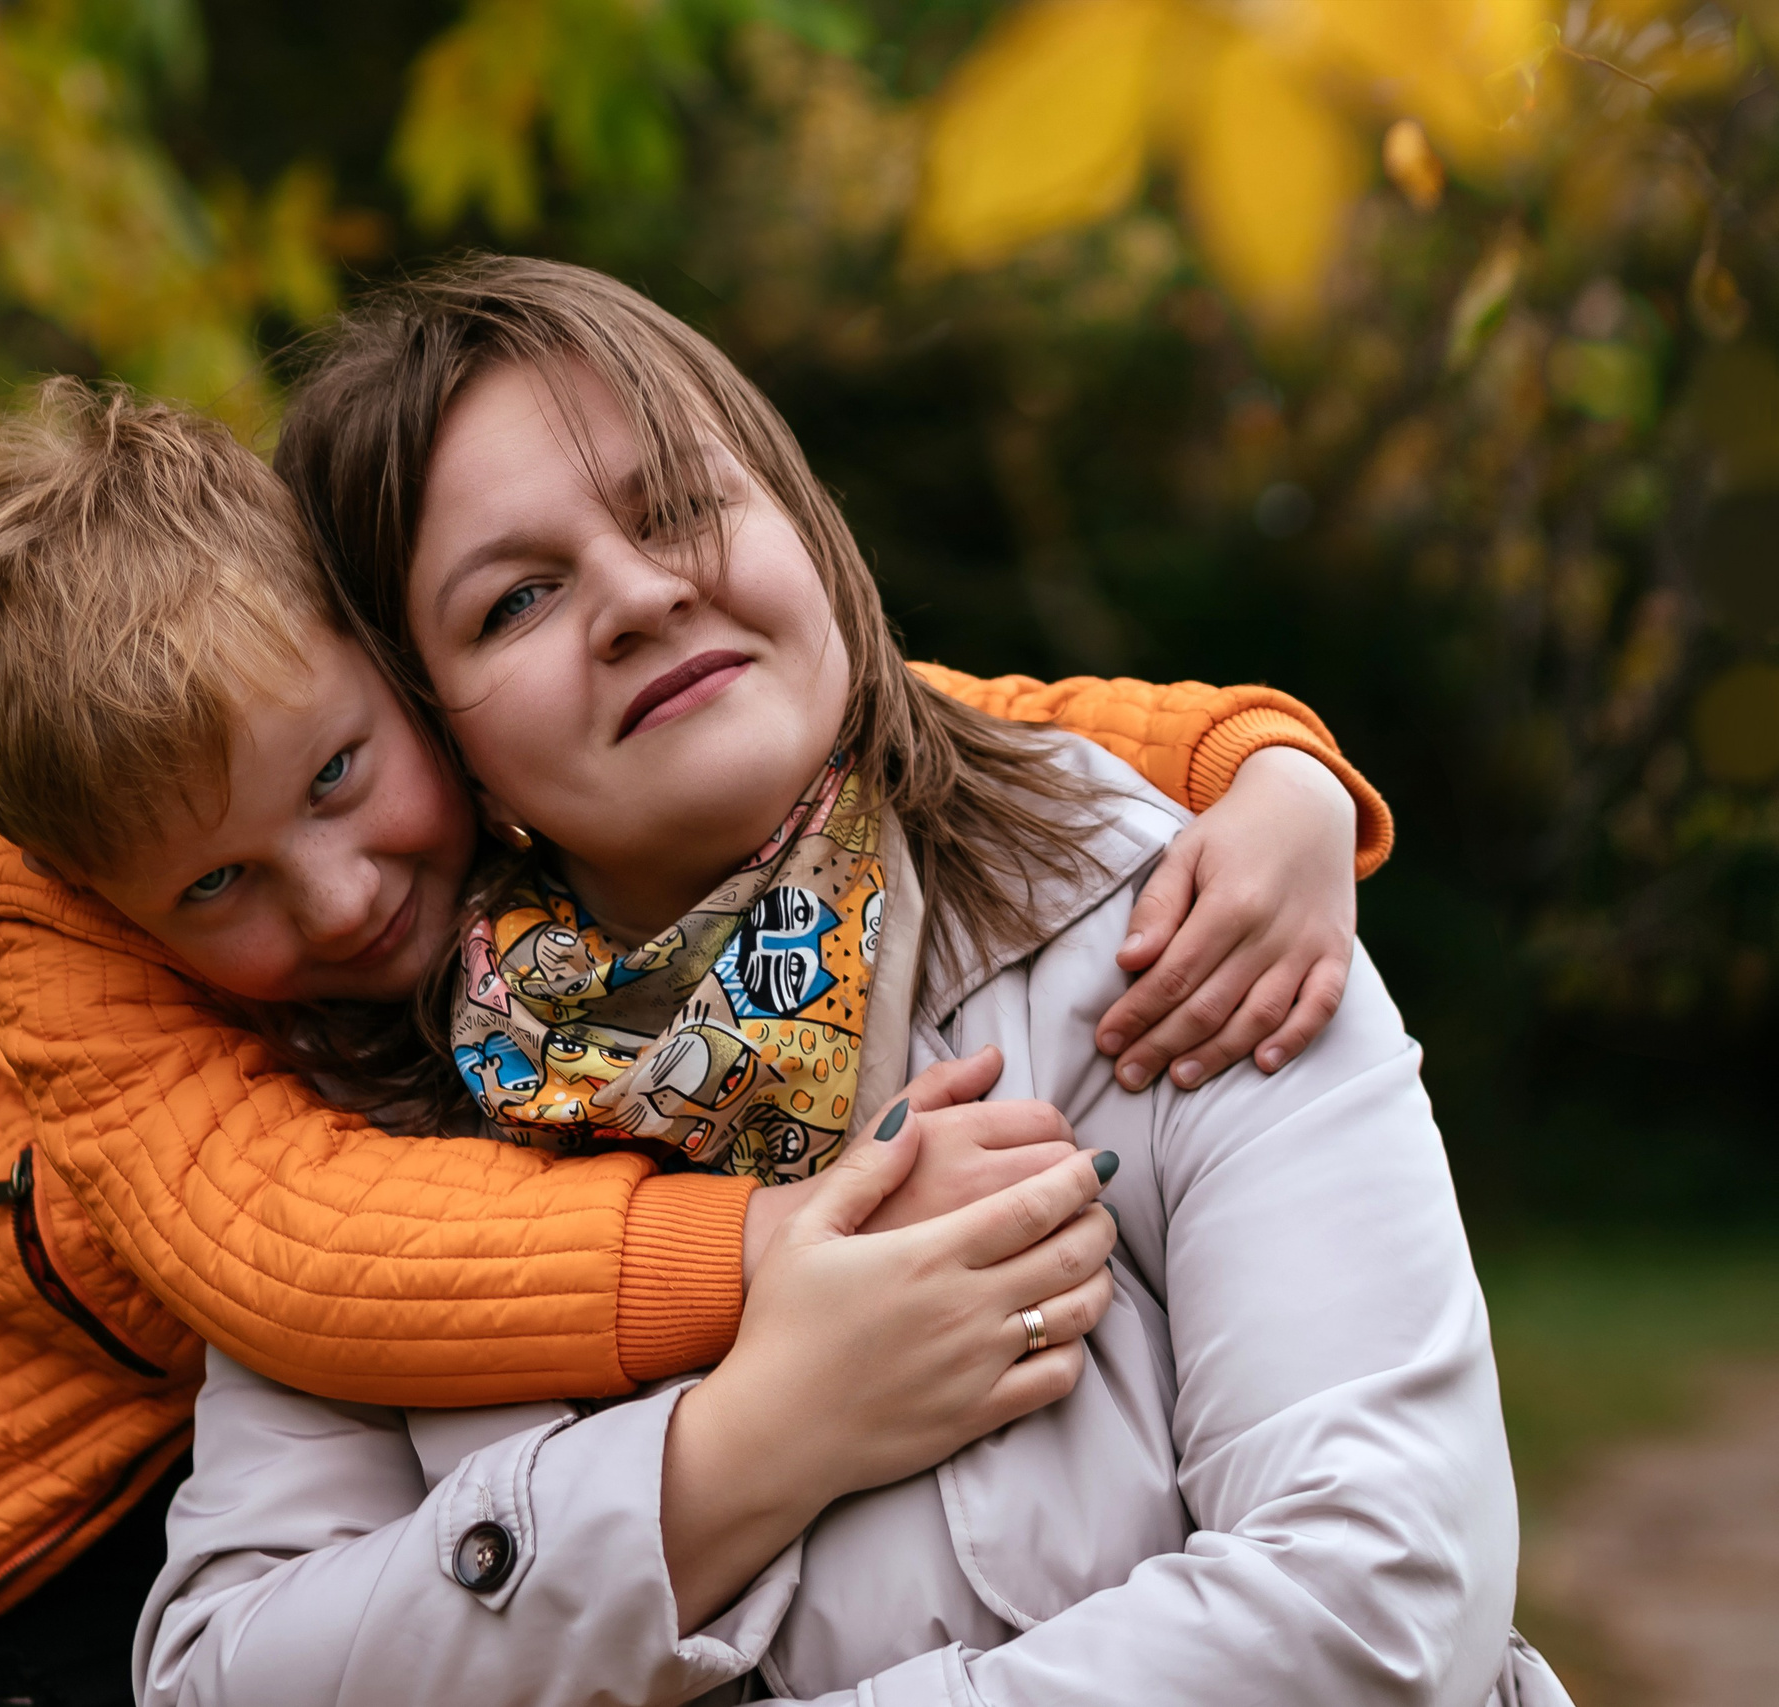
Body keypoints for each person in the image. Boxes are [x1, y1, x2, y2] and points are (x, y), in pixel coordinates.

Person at [136, 256, 1569, 1706]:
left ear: (795, 518)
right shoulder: (359, 1154)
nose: (638, 595)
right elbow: (215, 1684)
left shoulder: (1170, 920)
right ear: (429, 725)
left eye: (679, 505)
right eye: (512, 601)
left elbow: (1381, 1607)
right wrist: (742, 1453)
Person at [0, 379, 1390, 1696]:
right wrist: (773, 1273)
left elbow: (875, 701)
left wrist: (1261, 765)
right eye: (223, 884)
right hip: (29, 1542)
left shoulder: (430, 759)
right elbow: (309, 1257)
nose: (345, 896)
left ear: (408, 678)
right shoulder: (99, 973)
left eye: (340, 780)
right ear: (119, 902)